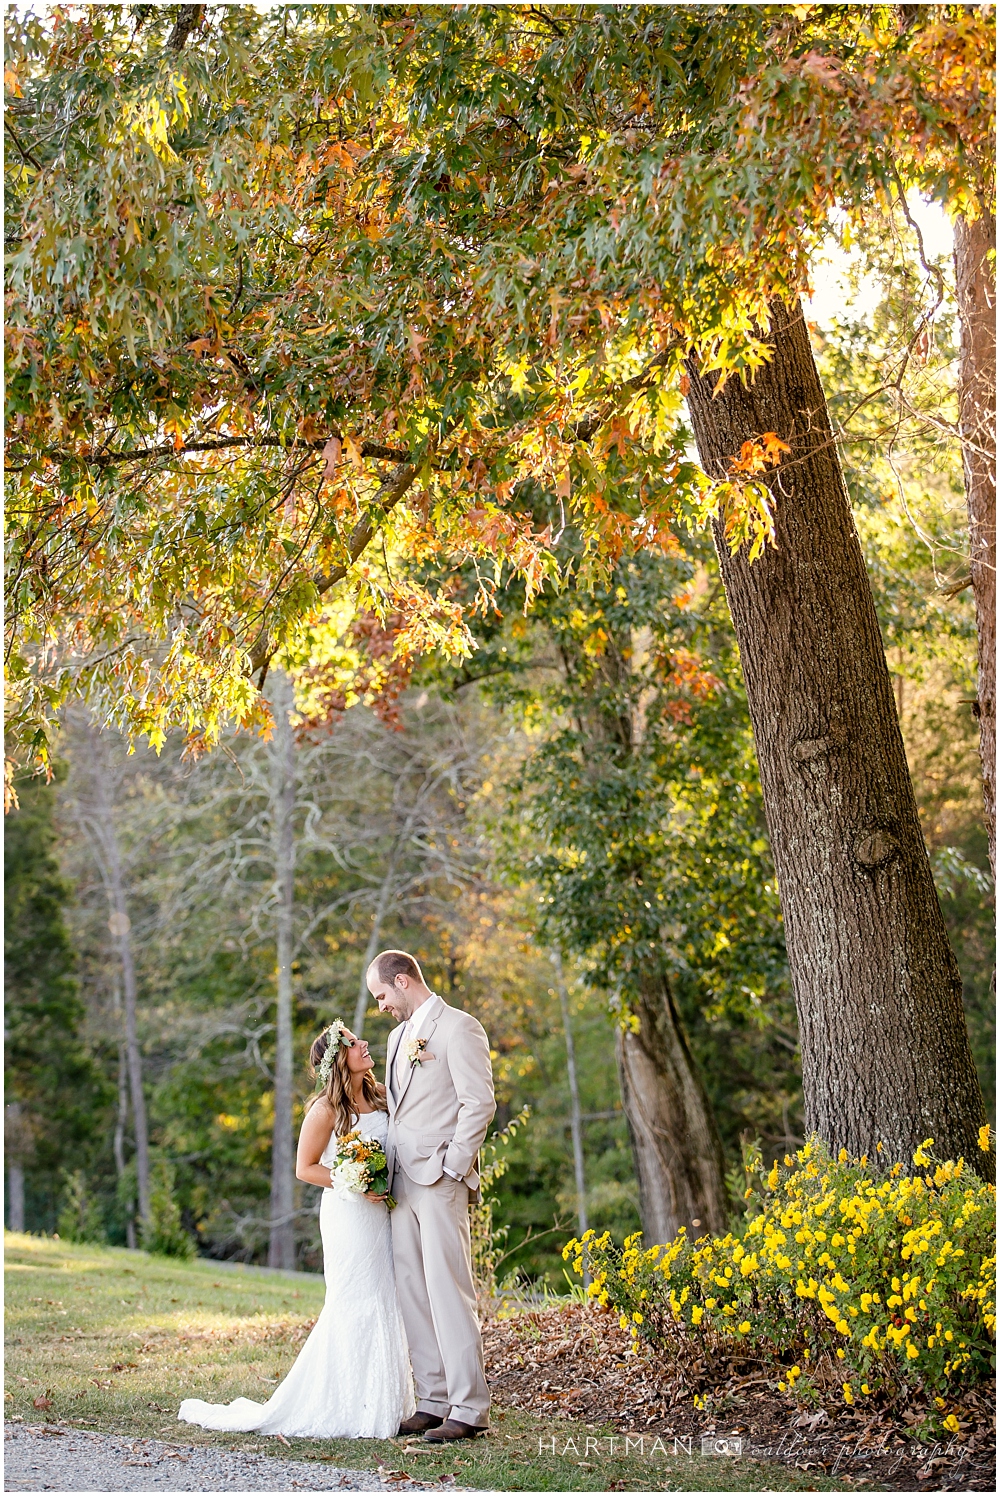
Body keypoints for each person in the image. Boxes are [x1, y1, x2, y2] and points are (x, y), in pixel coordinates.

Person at [177, 1021, 414, 1439]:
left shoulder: (381, 1097)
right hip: (350, 1216)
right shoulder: (324, 1110)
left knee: (386, 1296)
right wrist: (355, 1179)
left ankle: (386, 1401)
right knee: (355, 1299)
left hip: (385, 1216)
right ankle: (346, 1405)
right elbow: (305, 1169)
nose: (364, 1045)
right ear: (340, 1059)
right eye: (354, 1043)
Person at [367, 949, 495, 1443]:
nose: (381, 1006)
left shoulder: (459, 1027)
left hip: (440, 1180)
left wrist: (454, 1165)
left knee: (448, 1291)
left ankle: (469, 1407)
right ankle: (433, 1400)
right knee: (414, 1294)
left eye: (382, 995)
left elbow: (479, 1102)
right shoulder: (399, 1036)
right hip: (400, 1181)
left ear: (402, 981)